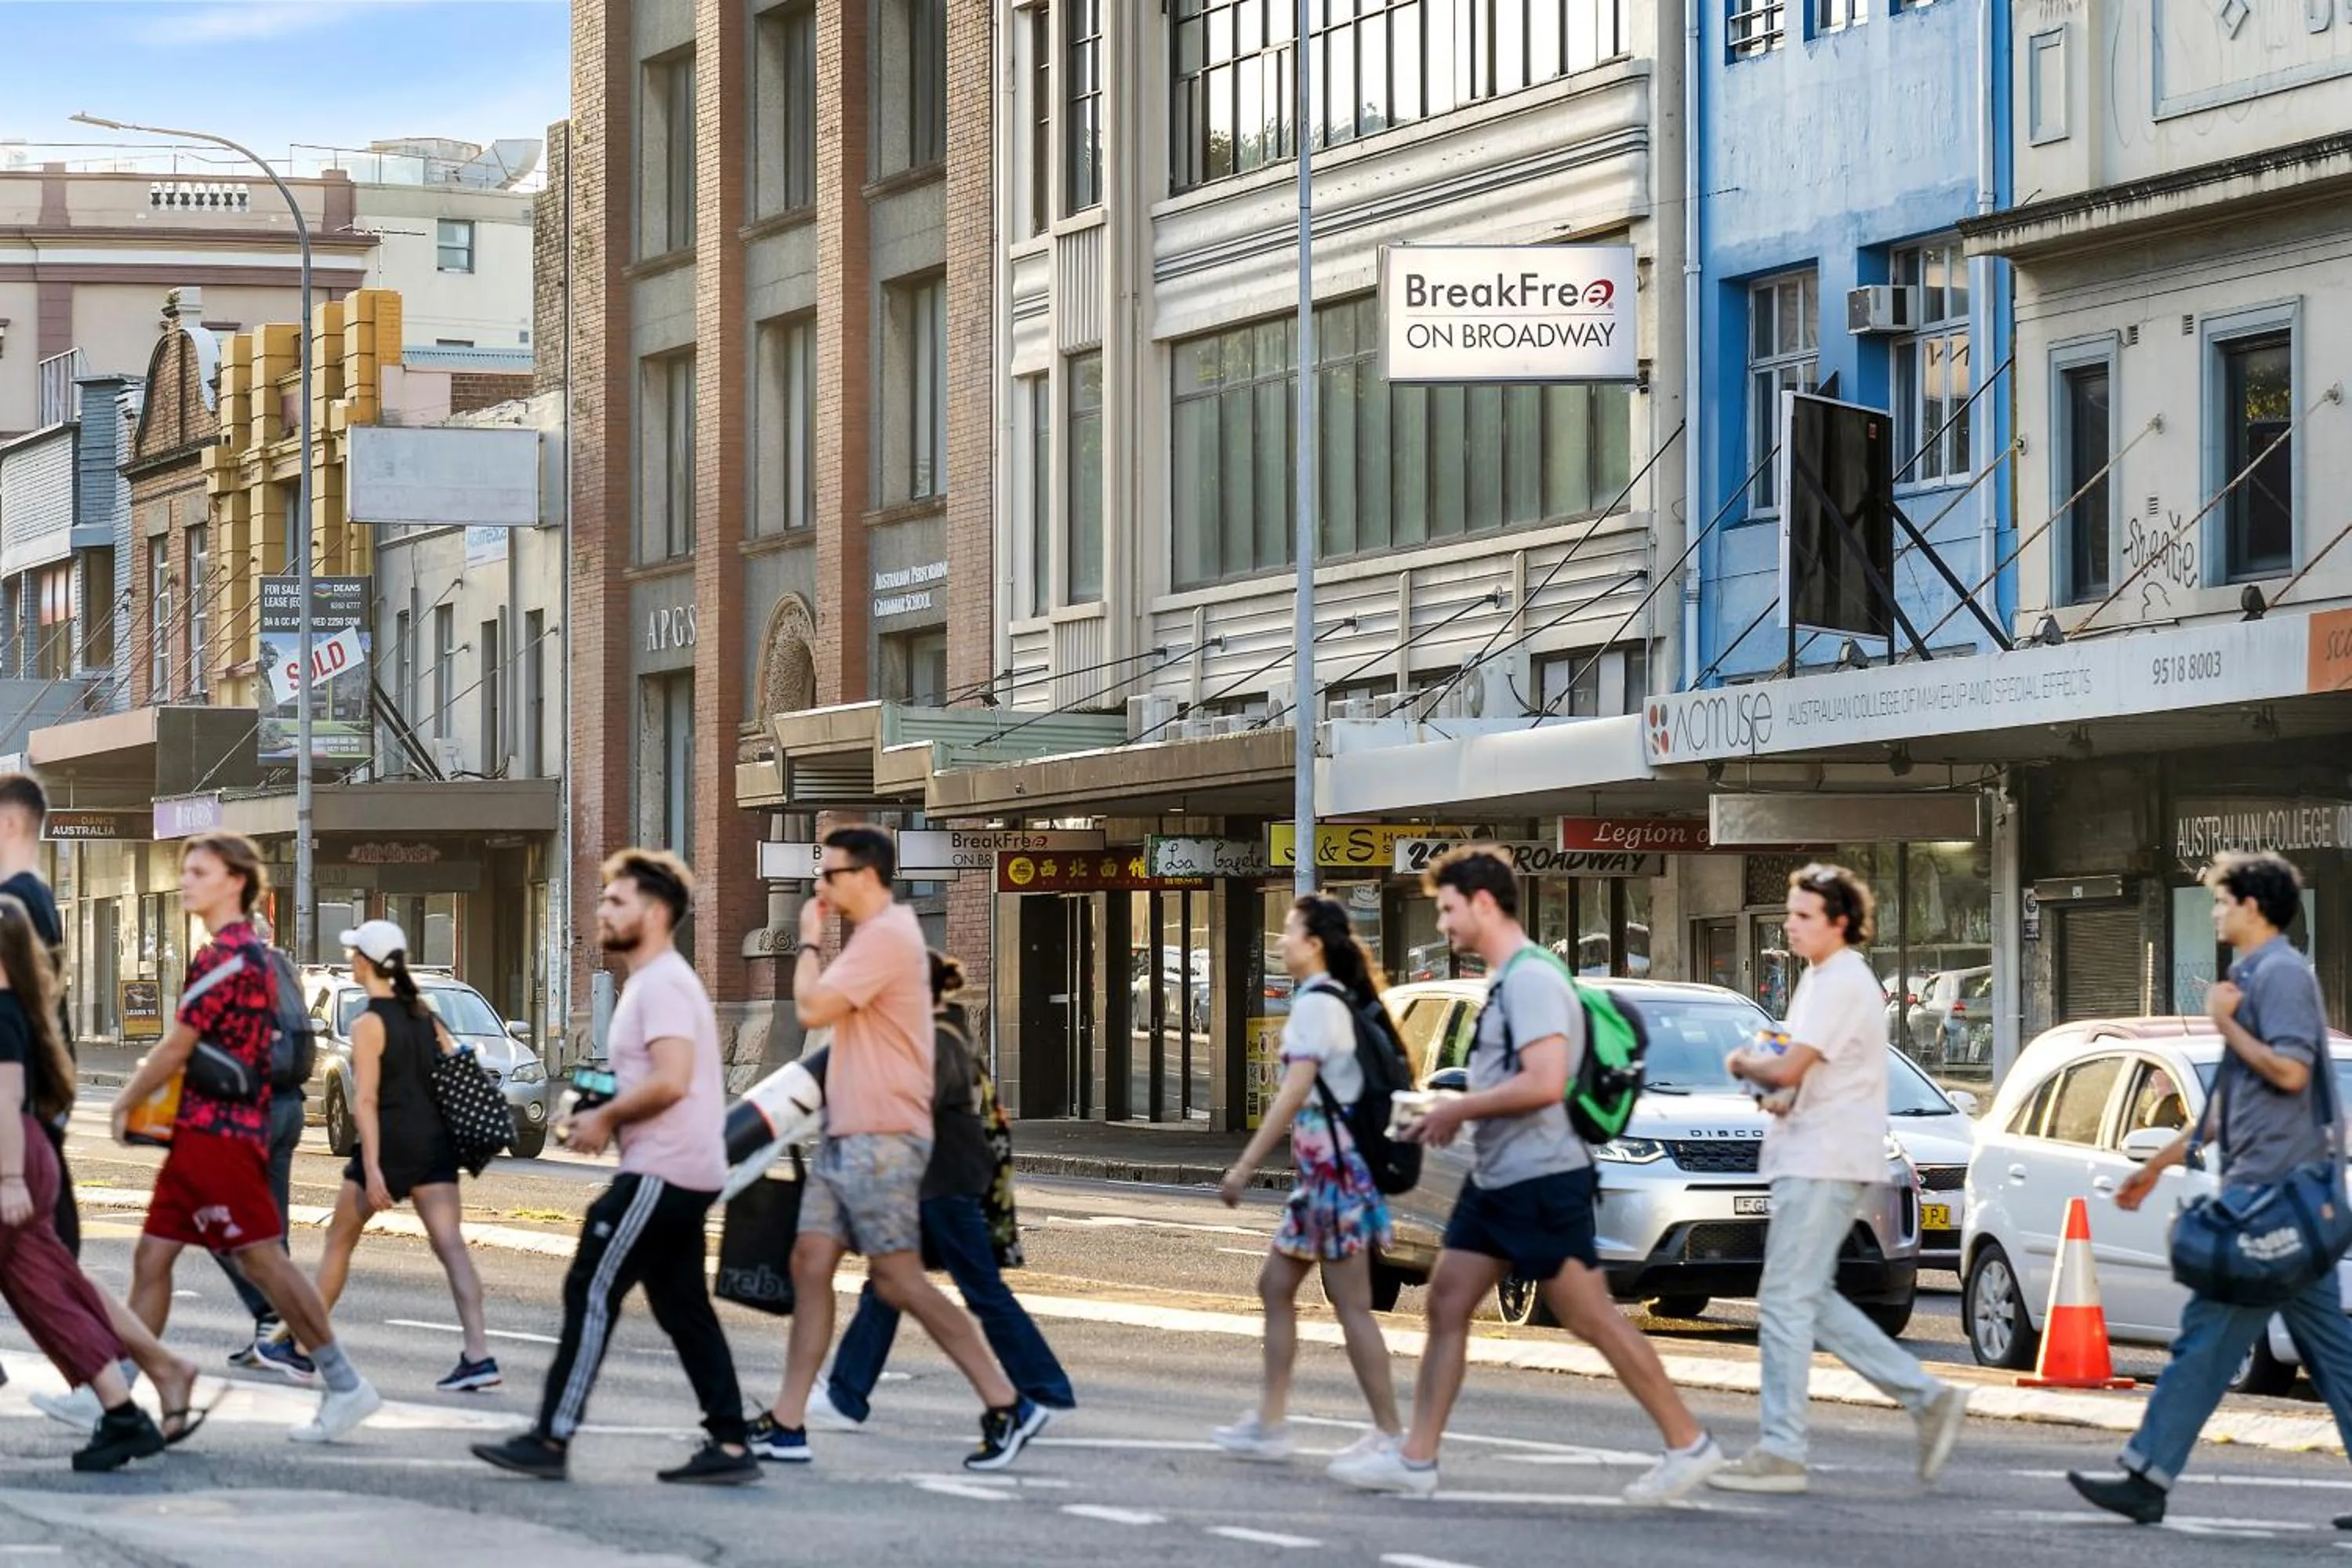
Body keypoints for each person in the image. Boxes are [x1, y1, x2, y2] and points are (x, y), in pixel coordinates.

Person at [1332, 846, 1724, 1502]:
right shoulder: (1508, 979)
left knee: (1591, 1317)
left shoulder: (1534, 979)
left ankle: (1689, 1443)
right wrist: (1461, 1114)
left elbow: (1545, 1082)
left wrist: (1461, 1105)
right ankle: (1418, 1458)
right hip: (1497, 1176)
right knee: (1448, 1300)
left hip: (1539, 1177)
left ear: (1484, 904)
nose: (1444, 925)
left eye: (1449, 910)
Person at [2069, 851, 2352, 1526]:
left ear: (2254, 908)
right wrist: (2160, 1162)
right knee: (2331, 1356)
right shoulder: (2253, 975)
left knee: (2206, 1336)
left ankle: (2147, 1474)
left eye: (2223, 901)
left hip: (2271, 1200)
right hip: (2282, 1202)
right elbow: (2230, 1105)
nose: (2216, 911)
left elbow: (2289, 1071)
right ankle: (2148, 1473)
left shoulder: (2278, 975)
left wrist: (2226, 1024)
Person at [750, 826, 1045, 1472]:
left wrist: (805, 935)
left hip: (882, 1138)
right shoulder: (876, 939)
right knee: (809, 1262)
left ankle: (1007, 1402)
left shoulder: (888, 937)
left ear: (867, 875)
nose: (821, 886)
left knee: (900, 1279)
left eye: (829, 875)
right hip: (846, 1132)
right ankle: (790, 1421)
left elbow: (811, 1007)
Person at [471, 848, 758, 1485]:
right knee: (682, 1306)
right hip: (677, 1168)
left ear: (655, 913)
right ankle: (732, 1444)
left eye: (616, 901)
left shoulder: (663, 984)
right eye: (604, 899)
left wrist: (605, 1119)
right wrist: (602, 1106)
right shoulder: (652, 983)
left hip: (665, 1171)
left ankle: (551, 1437)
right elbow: (650, 1077)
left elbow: (674, 1080)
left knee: (591, 1288)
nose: (602, 909)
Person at [107, 831, 381, 1443]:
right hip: (205, 1131)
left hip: (222, 1135)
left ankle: (346, 1383)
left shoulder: (227, 956)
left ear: (235, 880)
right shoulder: (242, 954)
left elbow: (176, 1045)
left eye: (199, 871)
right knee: (153, 1258)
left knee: (264, 1262)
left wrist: (125, 1103)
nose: (186, 881)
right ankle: (114, 1389)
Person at [1710, 863, 1967, 1494]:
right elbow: (1808, 1075)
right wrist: (1776, 1090)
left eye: (1803, 917)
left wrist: (1742, 1060)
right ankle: (1924, 1397)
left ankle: (1782, 1450)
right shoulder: (1825, 979)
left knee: (1785, 1301)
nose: (1790, 926)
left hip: (1821, 1161)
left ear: (1840, 923)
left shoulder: (1839, 981)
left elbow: (1788, 1063)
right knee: (1807, 1299)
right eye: (1791, 915)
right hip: (1816, 1152)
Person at [815, 952, 1074, 1429]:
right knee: (887, 1287)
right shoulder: (929, 1033)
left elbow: (910, 1103)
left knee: (979, 1291)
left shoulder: (936, 1036)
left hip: (944, 1183)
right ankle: (846, 1395)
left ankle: (1046, 1391)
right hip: (929, 1182)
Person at [1213, 895, 1402, 1469]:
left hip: (1335, 1178)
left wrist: (1245, 1165)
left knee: (1353, 1307)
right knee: (1275, 1287)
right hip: (1324, 1177)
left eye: (1290, 931)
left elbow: (1294, 1091)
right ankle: (1270, 1422)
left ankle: (1391, 1435)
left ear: (1315, 943)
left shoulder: (1319, 1004)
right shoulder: (1326, 1000)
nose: (1281, 940)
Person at [0, 891, 187, 1470]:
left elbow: (4, 1100)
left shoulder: (3, 1013)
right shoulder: (17, 1009)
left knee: (49, 1291)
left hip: (11, 1157)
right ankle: (122, 1409)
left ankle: (127, 1407)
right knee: (47, 1289)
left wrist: (9, 1178)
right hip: (23, 1152)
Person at [311, 919, 497, 1393]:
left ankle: (299, 1344)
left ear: (369, 964)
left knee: (338, 1241)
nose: (350, 959)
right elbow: (455, 1067)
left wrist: (373, 1169)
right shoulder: (425, 1016)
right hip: (435, 1147)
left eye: (355, 953)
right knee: (451, 1248)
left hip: (392, 1145)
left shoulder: (369, 1023)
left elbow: (367, 1102)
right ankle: (479, 1354)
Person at [215, 908, 319, 1383]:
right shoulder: (285, 968)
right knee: (272, 1228)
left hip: (251, 1112)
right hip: (288, 1109)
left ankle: (272, 1319)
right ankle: (278, 1339)